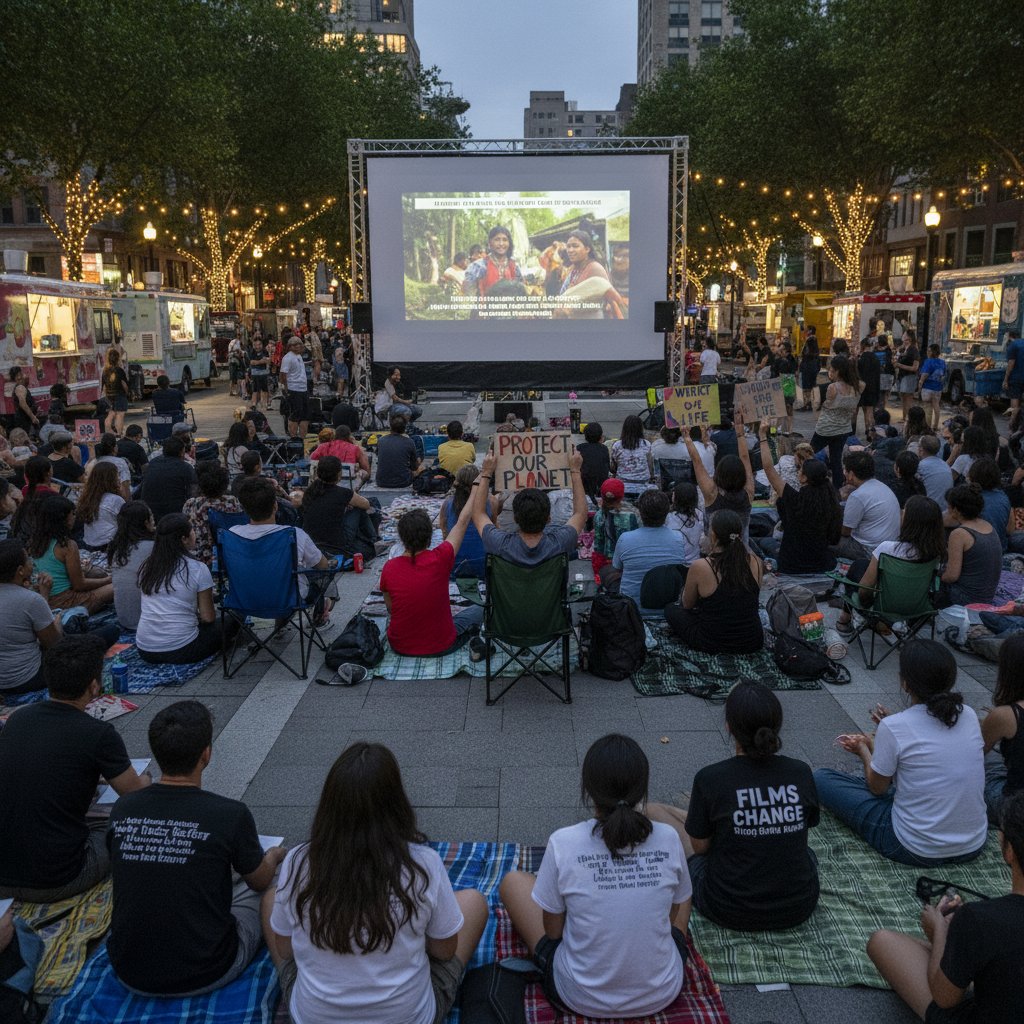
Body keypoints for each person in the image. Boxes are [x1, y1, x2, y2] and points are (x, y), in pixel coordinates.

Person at [264, 742, 487, 1024]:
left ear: (329, 806)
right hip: (410, 1017)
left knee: (270, 899)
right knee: (474, 902)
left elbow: (285, 950)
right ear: (396, 804)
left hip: (312, 1017)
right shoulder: (423, 864)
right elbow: (444, 950)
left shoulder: (297, 861)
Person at [500, 734, 691, 1020]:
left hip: (578, 995)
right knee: (683, 893)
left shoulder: (563, 842)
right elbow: (673, 912)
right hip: (663, 991)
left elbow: (552, 932)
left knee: (513, 883)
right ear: (643, 789)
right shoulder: (668, 838)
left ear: (587, 790)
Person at [107, 700, 285, 996]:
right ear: (206, 754)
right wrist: (274, 856)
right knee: (273, 885)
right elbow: (260, 879)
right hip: (209, 969)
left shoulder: (123, 808)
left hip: (129, 971)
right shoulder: (230, 814)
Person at [647, 681, 820, 931]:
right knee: (808, 855)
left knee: (653, 811)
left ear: (729, 727)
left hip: (727, 906)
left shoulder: (711, 779)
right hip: (798, 905)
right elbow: (809, 824)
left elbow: (701, 847)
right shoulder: (800, 772)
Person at [0, 634, 150, 902]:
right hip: (59, 878)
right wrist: (147, 779)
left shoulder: (17, 718)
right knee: (123, 822)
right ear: (94, 687)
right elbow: (134, 794)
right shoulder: (99, 733)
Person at [815, 640, 987, 865]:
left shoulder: (895, 726)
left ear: (905, 683)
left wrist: (863, 750)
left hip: (913, 847)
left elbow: (877, 788)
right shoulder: (969, 715)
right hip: (972, 844)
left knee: (821, 778)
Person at [867, 789, 1024, 1024]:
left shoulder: (979, 919)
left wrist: (939, 932)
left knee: (882, 941)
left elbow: (944, 998)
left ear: (1007, 848)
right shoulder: (981, 921)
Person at [380, 502, 485, 657]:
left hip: (399, 645)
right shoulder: (440, 558)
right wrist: (478, 485)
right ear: (430, 536)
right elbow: (462, 522)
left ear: (402, 539)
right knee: (482, 608)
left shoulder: (389, 567)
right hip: (441, 645)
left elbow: (391, 608)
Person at [835, 494, 946, 634]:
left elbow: (865, 588)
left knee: (858, 568)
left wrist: (864, 605)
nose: (901, 512)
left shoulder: (887, 549)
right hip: (918, 608)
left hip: (883, 606)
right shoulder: (938, 553)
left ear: (909, 520)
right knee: (861, 564)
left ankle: (846, 618)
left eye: (904, 510)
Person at [232, 476, 337, 622]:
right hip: (289, 601)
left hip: (243, 601)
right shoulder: (294, 534)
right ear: (275, 506)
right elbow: (323, 565)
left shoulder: (232, 534)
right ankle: (322, 609)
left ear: (244, 509)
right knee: (324, 569)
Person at [665, 508, 763, 652]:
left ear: (714, 535)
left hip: (712, 641)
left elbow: (687, 605)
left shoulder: (701, 566)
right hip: (752, 640)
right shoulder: (756, 561)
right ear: (740, 534)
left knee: (670, 610)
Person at [473, 448, 587, 568]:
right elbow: (580, 514)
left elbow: (478, 514)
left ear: (515, 518)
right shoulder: (561, 542)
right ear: (549, 519)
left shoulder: (500, 543)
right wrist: (575, 471)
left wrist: (486, 473)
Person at [136, 513, 222, 664]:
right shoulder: (197, 569)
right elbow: (208, 617)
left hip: (145, 649)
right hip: (182, 649)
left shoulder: (147, 567)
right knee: (233, 621)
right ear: (184, 539)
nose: (195, 533)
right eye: (192, 530)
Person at [757, 425, 841, 574]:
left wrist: (762, 436)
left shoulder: (794, 499)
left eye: (801, 470)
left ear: (804, 478)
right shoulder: (832, 501)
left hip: (792, 564)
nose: (798, 471)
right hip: (822, 563)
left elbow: (769, 469)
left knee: (763, 542)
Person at [28, 493, 113, 612]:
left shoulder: (35, 542)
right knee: (116, 587)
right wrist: (108, 580)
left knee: (96, 573)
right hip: (66, 600)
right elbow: (79, 585)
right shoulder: (67, 545)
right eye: (72, 514)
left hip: (44, 596)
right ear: (63, 520)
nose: (75, 517)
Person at [607, 490, 687, 614]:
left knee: (606, 572)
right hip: (667, 608)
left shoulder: (625, 538)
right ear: (666, 513)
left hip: (632, 610)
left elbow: (617, 568)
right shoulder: (678, 538)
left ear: (640, 512)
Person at [0, 538, 62, 696]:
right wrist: (45, 597)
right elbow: (54, 644)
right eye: (28, 558)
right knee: (102, 635)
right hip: (26, 678)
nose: (32, 563)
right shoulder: (32, 600)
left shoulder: (27, 597)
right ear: (20, 570)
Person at [685, 415, 754, 545]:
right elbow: (745, 458)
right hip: (742, 552)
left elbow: (697, 462)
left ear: (719, 473)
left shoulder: (711, 493)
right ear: (742, 476)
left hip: (713, 554)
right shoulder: (748, 493)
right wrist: (739, 434)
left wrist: (687, 438)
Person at [300, 455, 374, 559]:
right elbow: (366, 504)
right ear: (339, 474)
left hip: (312, 541)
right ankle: (374, 538)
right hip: (336, 544)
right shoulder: (343, 493)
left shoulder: (310, 492)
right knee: (359, 507)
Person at [939, 483, 1002, 607]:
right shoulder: (987, 525)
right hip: (986, 595)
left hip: (968, 598)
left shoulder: (959, 534)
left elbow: (951, 576)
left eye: (949, 506)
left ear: (956, 510)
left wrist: (938, 575)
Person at [812, 355, 864, 488]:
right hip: (843, 428)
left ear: (838, 371)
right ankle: (837, 490)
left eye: (832, 370)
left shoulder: (832, 388)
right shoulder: (859, 386)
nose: (830, 373)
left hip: (826, 428)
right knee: (836, 461)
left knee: (808, 454)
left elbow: (826, 406)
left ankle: (810, 479)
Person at [438, 464, 498, 579]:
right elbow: (495, 532)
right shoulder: (491, 502)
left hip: (454, 566)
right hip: (483, 566)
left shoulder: (447, 504)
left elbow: (445, 535)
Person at [839, 451, 902, 560]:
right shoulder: (882, 487)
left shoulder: (857, 496)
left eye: (846, 470)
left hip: (868, 550)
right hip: (889, 546)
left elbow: (845, 531)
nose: (844, 473)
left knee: (826, 540)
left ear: (851, 474)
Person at [182, 460, 245, 566]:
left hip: (198, 556)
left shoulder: (191, 504)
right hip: (227, 553)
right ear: (224, 485)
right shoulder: (231, 501)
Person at [107, 501, 155, 631]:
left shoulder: (118, 549)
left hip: (125, 619)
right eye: (151, 516)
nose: (154, 519)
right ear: (145, 523)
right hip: (149, 622)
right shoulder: (153, 548)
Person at [463, 225, 524, 307]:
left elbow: (520, 294)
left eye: (505, 240)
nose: (501, 243)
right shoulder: (477, 266)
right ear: (490, 243)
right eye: (497, 239)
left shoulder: (514, 266)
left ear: (509, 243)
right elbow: (468, 294)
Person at [139, 435, 197, 520]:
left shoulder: (153, 463)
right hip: (174, 514)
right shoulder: (186, 467)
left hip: (150, 512)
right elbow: (193, 493)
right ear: (182, 452)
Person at [590, 478, 639, 579]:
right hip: (627, 562)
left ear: (602, 497)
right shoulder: (633, 516)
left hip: (607, 564)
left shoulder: (598, 516)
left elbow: (598, 544)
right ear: (621, 496)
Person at [77, 460, 125, 550]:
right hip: (109, 545)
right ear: (111, 479)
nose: (119, 478)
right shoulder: (115, 500)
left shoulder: (87, 498)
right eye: (117, 475)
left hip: (88, 543)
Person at [967, 457, 1012, 552]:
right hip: (1001, 549)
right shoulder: (1003, 496)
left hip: (979, 553)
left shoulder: (970, 499)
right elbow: (1009, 529)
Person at [375, 414, 423, 488]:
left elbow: (379, 457)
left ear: (390, 427)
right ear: (404, 428)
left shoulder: (381, 440)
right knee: (421, 468)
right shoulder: (409, 442)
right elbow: (414, 467)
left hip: (381, 481)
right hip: (403, 482)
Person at [609, 414, 653, 493]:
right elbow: (650, 465)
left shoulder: (617, 445)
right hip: (643, 482)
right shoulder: (647, 444)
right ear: (640, 429)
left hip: (622, 482)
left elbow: (613, 466)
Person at [666, 482, 705, 564]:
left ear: (675, 499)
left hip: (674, 563)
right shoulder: (699, 515)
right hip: (694, 562)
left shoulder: (668, 517)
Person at [281, 336, 311, 438]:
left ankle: (303, 438)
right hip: (294, 390)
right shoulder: (287, 358)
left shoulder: (299, 356)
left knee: (305, 416)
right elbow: (283, 375)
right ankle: (293, 438)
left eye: (299, 344)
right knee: (295, 415)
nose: (298, 346)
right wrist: (286, 389)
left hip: (303, 389)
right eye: (295, 345)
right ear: (290, 347)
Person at [917, 434, 954, 508]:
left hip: (927, 509)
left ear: (921, 450)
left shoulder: (920, 466)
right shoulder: (945, 465)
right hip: (945, 509)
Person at [576, 421, 610, 500]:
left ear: (585, 436)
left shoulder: (579, 448)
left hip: (584, 486)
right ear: (601, 436)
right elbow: (607, 467)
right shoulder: (604, 449)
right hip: (600, 486)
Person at [918, 343, 946, 431]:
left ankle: (927, 427)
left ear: (933, 352)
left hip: (927, 387)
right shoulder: (942, 362)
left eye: (929, 351)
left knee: (927, 407)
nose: (927, 352)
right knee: (936, 406)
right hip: (938, 388)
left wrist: (920, 385)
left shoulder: (928, 361)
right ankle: (935, 426)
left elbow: (924, 375)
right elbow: (943, 374)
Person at [101, 349, 130, 436]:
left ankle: (108, 432)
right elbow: (124, 384)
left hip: (109, 396)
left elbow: (104, 386)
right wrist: (127, 393)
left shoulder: (105, 371)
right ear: (118, 359)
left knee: (111, 414)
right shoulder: (119, 370)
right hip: (120, 395)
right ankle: (118, 433)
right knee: (120, 415)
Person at [772, 341, 798, 434]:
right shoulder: (780, 359)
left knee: (786, 409)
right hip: (783, 386)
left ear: (785, 350)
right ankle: (776, 430)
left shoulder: (788, 360)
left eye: (781, 349)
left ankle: (785, 430)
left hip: (786, 387)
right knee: (779, 410)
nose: (779, 350)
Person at [894, 329, 921, 420]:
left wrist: (899, 365)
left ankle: (909, 419)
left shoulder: (913, 350)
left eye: (904, 334)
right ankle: (904, 417)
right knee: (903, 398)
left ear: (908, 337)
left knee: (908, 399)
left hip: (909, 376)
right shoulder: (904, 348)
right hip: (902, 376)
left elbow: (915, 367)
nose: (902, 335)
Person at [9, 366, 40, 434]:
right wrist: (33, 417)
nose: (25, 375)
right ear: (18, 375)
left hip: (24, 419)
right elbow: (22, 403)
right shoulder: (20, 387)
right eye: (22, 373)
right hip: (24, 420)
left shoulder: (21, 386)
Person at [1003, 328, 1024, 418]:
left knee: (1015, 397)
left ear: (1010, 336)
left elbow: (1011, 363)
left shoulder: (1013, 345)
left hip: (1016, 377)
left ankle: (1014, 419)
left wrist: (1005, 379)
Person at [798, 334, 821, 411]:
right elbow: (818, 365)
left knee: (806, 388)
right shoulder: (816, 354)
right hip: (813, 370)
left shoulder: (807, 355)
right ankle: (811, 403)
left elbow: (803, 358)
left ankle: (806, 404)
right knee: (812, 387)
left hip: (807, 370)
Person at [248, 337, 271, 412]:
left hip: (264, 374)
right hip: (255, 374)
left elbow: (268, 360)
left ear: (262, 344)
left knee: (265, 389)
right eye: (256, 345)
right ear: (253, 345)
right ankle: (254, 404)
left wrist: (258, 362)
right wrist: (261, 361)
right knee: (255, 390)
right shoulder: (252, 352)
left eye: (259, 344)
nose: (257, 346)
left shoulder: (265, 351)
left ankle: (265, 404)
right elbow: (251, 362)